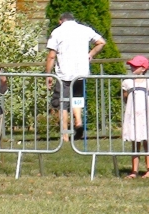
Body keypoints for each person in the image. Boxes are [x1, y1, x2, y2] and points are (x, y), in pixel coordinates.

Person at [44, 12, 106, 142]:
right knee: (77, 99)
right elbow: (101, 42)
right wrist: (90, 54)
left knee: (63, 104)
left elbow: (51, 55)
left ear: (61, 21)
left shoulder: (58, 32)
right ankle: (78, 122)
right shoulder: (84, 29)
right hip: (81, 72)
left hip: (64, 74)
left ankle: (65, 135)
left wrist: (48, 74)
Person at [121, 55, 149, 179]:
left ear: (143, 68)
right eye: (131, 65)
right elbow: (125, 96)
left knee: (147, 142)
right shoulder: (127, 82)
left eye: (135, 66)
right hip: (133, 115)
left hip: (147, 115)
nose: (132, 67)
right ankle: (134, 170)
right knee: (135, 143)